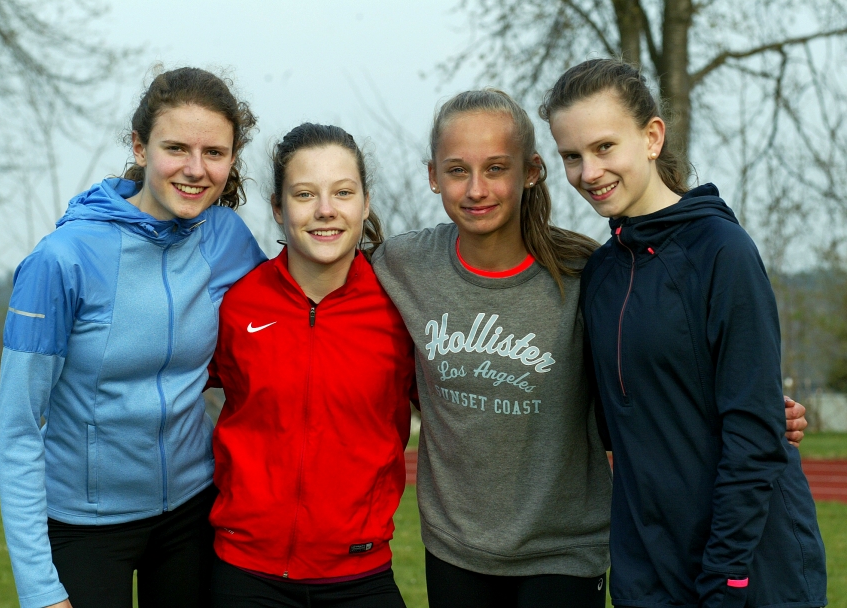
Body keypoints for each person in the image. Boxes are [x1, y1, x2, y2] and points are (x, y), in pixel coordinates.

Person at [541, 58, 826, 608]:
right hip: (647, 574)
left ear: (652, 137)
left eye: (604, 147)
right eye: (571, 156)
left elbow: (752, 440)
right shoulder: (601, 274)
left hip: (750, 570)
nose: (588, 172)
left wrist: (726, 580)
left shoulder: (723, 252)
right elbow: (611, 423)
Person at [0, 67, 266, 608]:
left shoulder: (226, 237)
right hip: (85, 525)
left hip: (194, 510)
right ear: (141, 148)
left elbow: (284, 320)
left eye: (214, 152)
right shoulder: (61, 261)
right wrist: (39, 590)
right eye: (176, 148)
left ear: (232, 159)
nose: (195, 169)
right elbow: (19, 428)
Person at [372, 89, 612, 608]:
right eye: (458, 170)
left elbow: (656, 361)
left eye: (496, 168)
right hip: (455, 548)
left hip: (563, 551)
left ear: (531, 171)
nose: (476, 189)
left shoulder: (584, 274)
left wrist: (746, 402)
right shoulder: (402, 266)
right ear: (433, 175)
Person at [207, 123, 416, 607]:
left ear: (365, 204)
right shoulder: (237, 304)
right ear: (279, 209)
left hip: (360, 573)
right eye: (305, 194)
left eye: (343, 192)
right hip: (244, 574)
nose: (325, 210)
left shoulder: (402, 310)